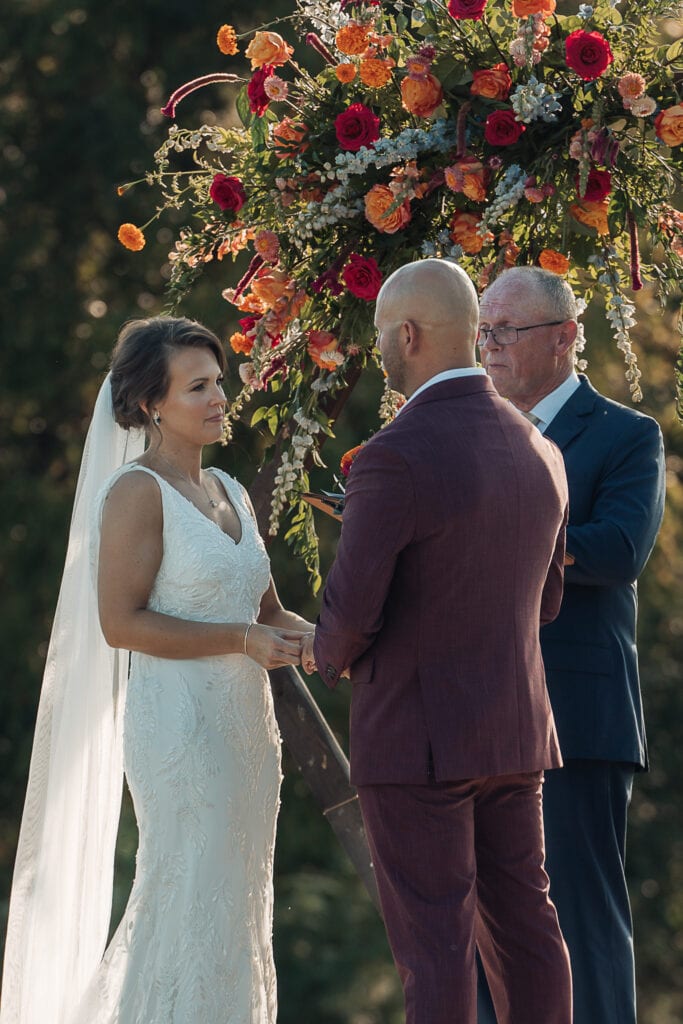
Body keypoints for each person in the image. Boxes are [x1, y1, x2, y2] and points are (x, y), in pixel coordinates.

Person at [0, 316, 314, 1024]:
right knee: (186, 894)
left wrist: (328, 640)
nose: (218, 399)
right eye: (197, 387)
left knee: (236, 900)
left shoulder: (230, 489)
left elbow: (270, 609)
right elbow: (122, 623)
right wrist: (241, 639)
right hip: (179, 735)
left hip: (246, 739)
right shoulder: (136, 493)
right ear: (150, 403)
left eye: (219, 383)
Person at [301, 258, 573, 1024]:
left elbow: (350, 615)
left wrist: (323, 651)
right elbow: (546, 602)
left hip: (415, 737)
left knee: (433, 951)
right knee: (528, 935)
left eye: (384, 332)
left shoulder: (393, 454)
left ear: (408, 335)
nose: (380, 346)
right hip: (514, 732)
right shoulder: (540, 450)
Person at [477, 266, 666, 1024]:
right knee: (483, 931)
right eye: (481, 331)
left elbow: (618, 549)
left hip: (577, 718)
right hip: (475, 714)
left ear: (564, 338)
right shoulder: (470, 432)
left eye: (504, 331)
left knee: (578, 922)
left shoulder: (626, 435)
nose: (487, 347)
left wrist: (496, 539)